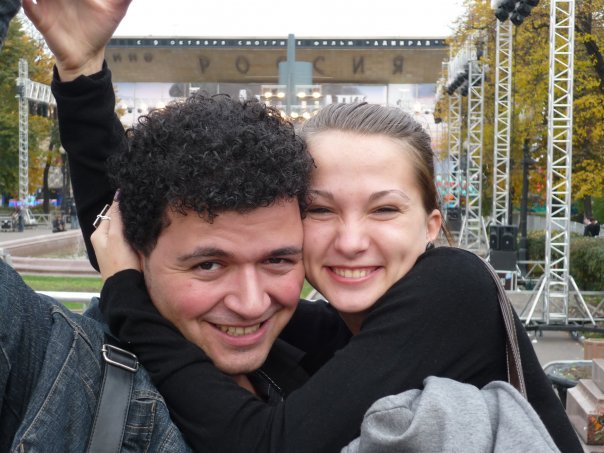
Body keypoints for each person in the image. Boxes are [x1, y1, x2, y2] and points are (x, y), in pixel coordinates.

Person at [25, 1, 581, 451]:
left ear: (432, 225)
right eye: (321, 209)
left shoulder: (456, 288)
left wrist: (123, 292)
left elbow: (268, 444)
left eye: (384, 209)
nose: (351, 240)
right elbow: (137, 235)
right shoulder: (328, 326)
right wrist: (81, 73)